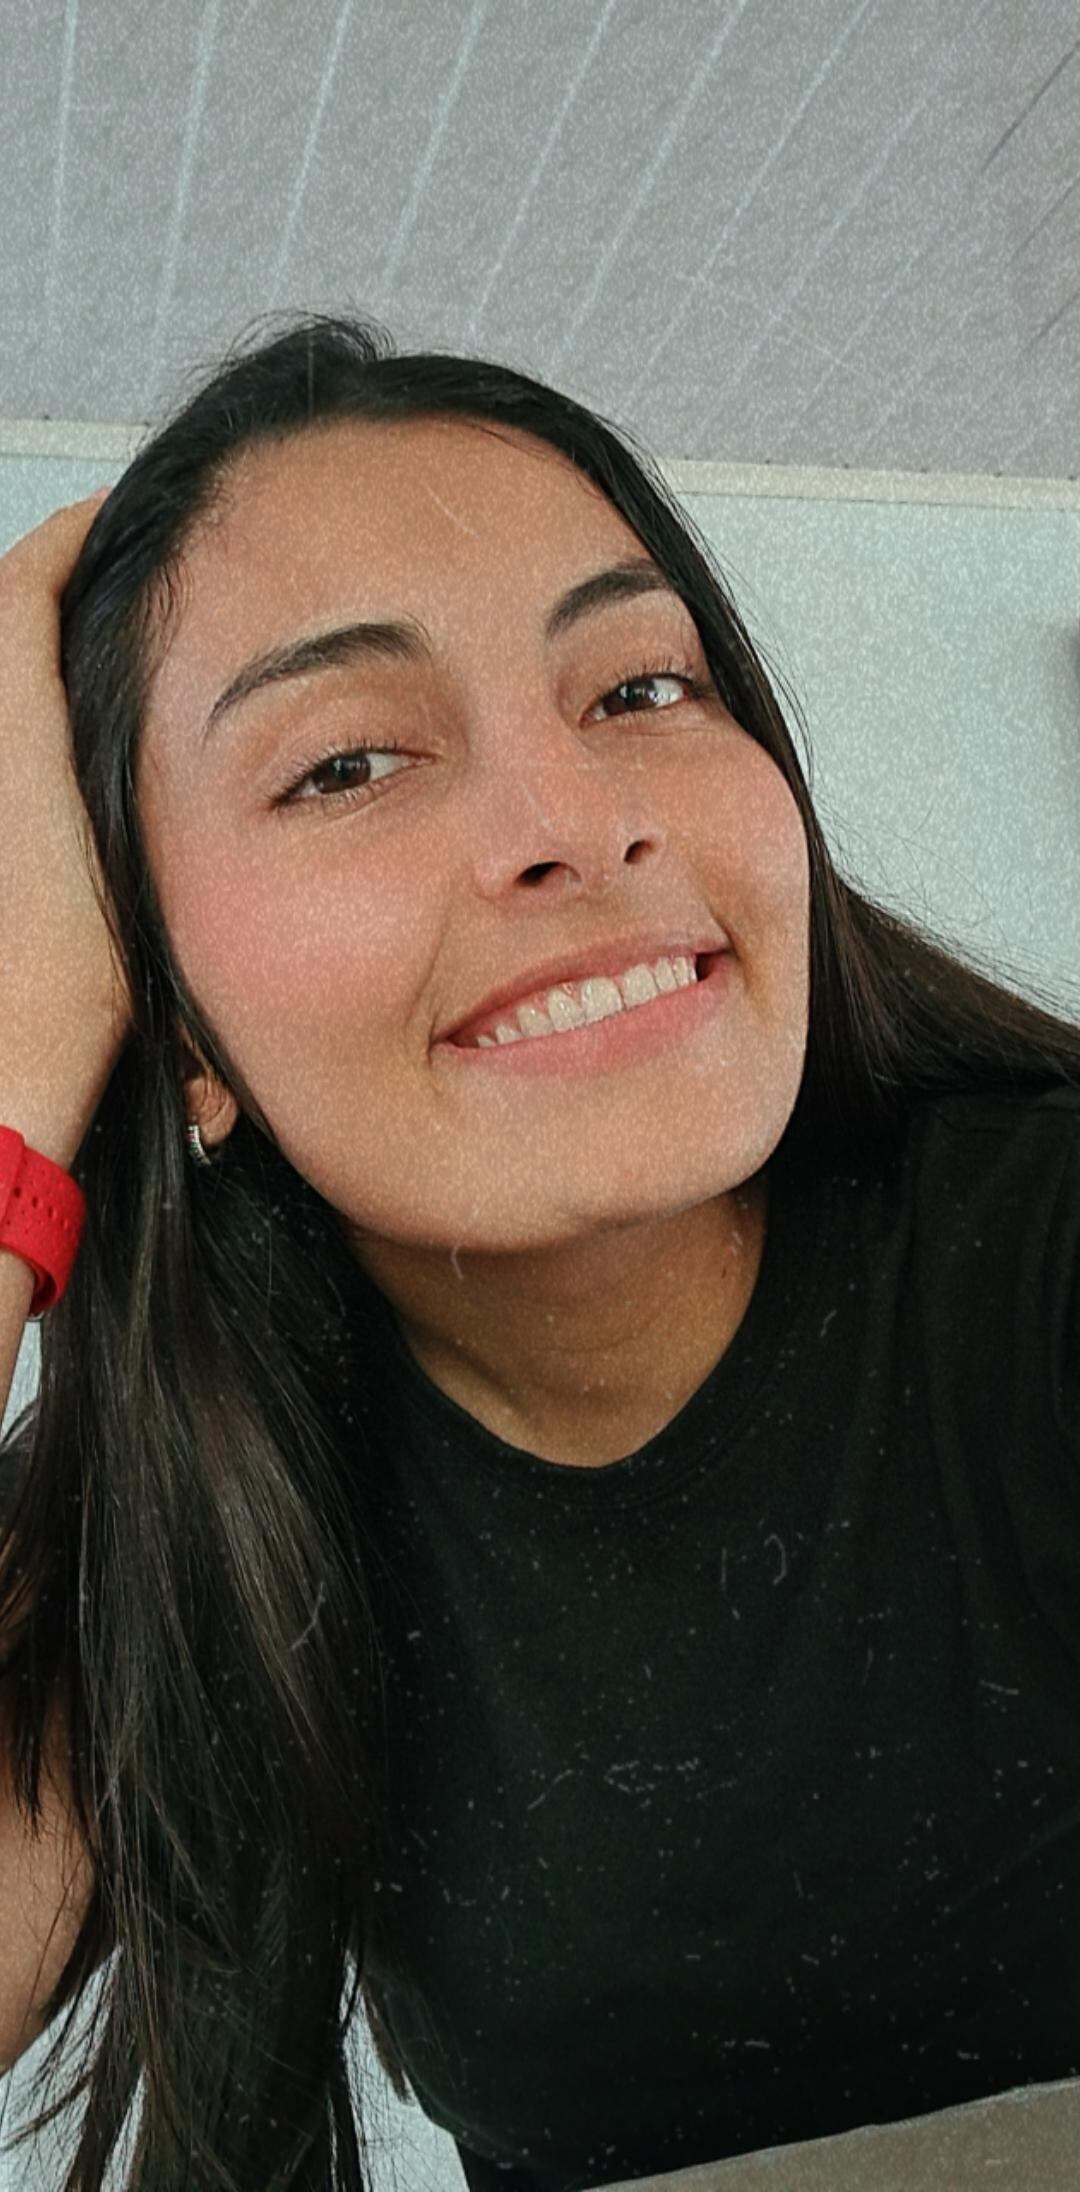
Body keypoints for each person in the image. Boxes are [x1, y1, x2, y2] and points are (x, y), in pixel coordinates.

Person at [0, 311, 1077, 2192]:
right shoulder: (181, 1519)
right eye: (349, 764)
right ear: (169, 1028)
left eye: (640, 686)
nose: (577, 823)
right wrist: (20, 1076)